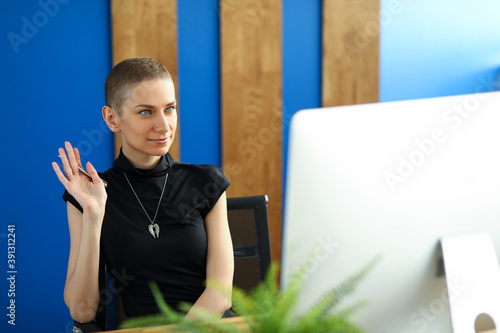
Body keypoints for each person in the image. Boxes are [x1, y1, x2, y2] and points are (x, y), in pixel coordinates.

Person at [52, 57, 234, 327]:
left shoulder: (206, 182)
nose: (163, 126)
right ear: (112, 119)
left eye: (169, 109)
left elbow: (220, 296)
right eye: (146, 112)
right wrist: (93, 214)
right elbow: (82, 312)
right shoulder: (90, 194)